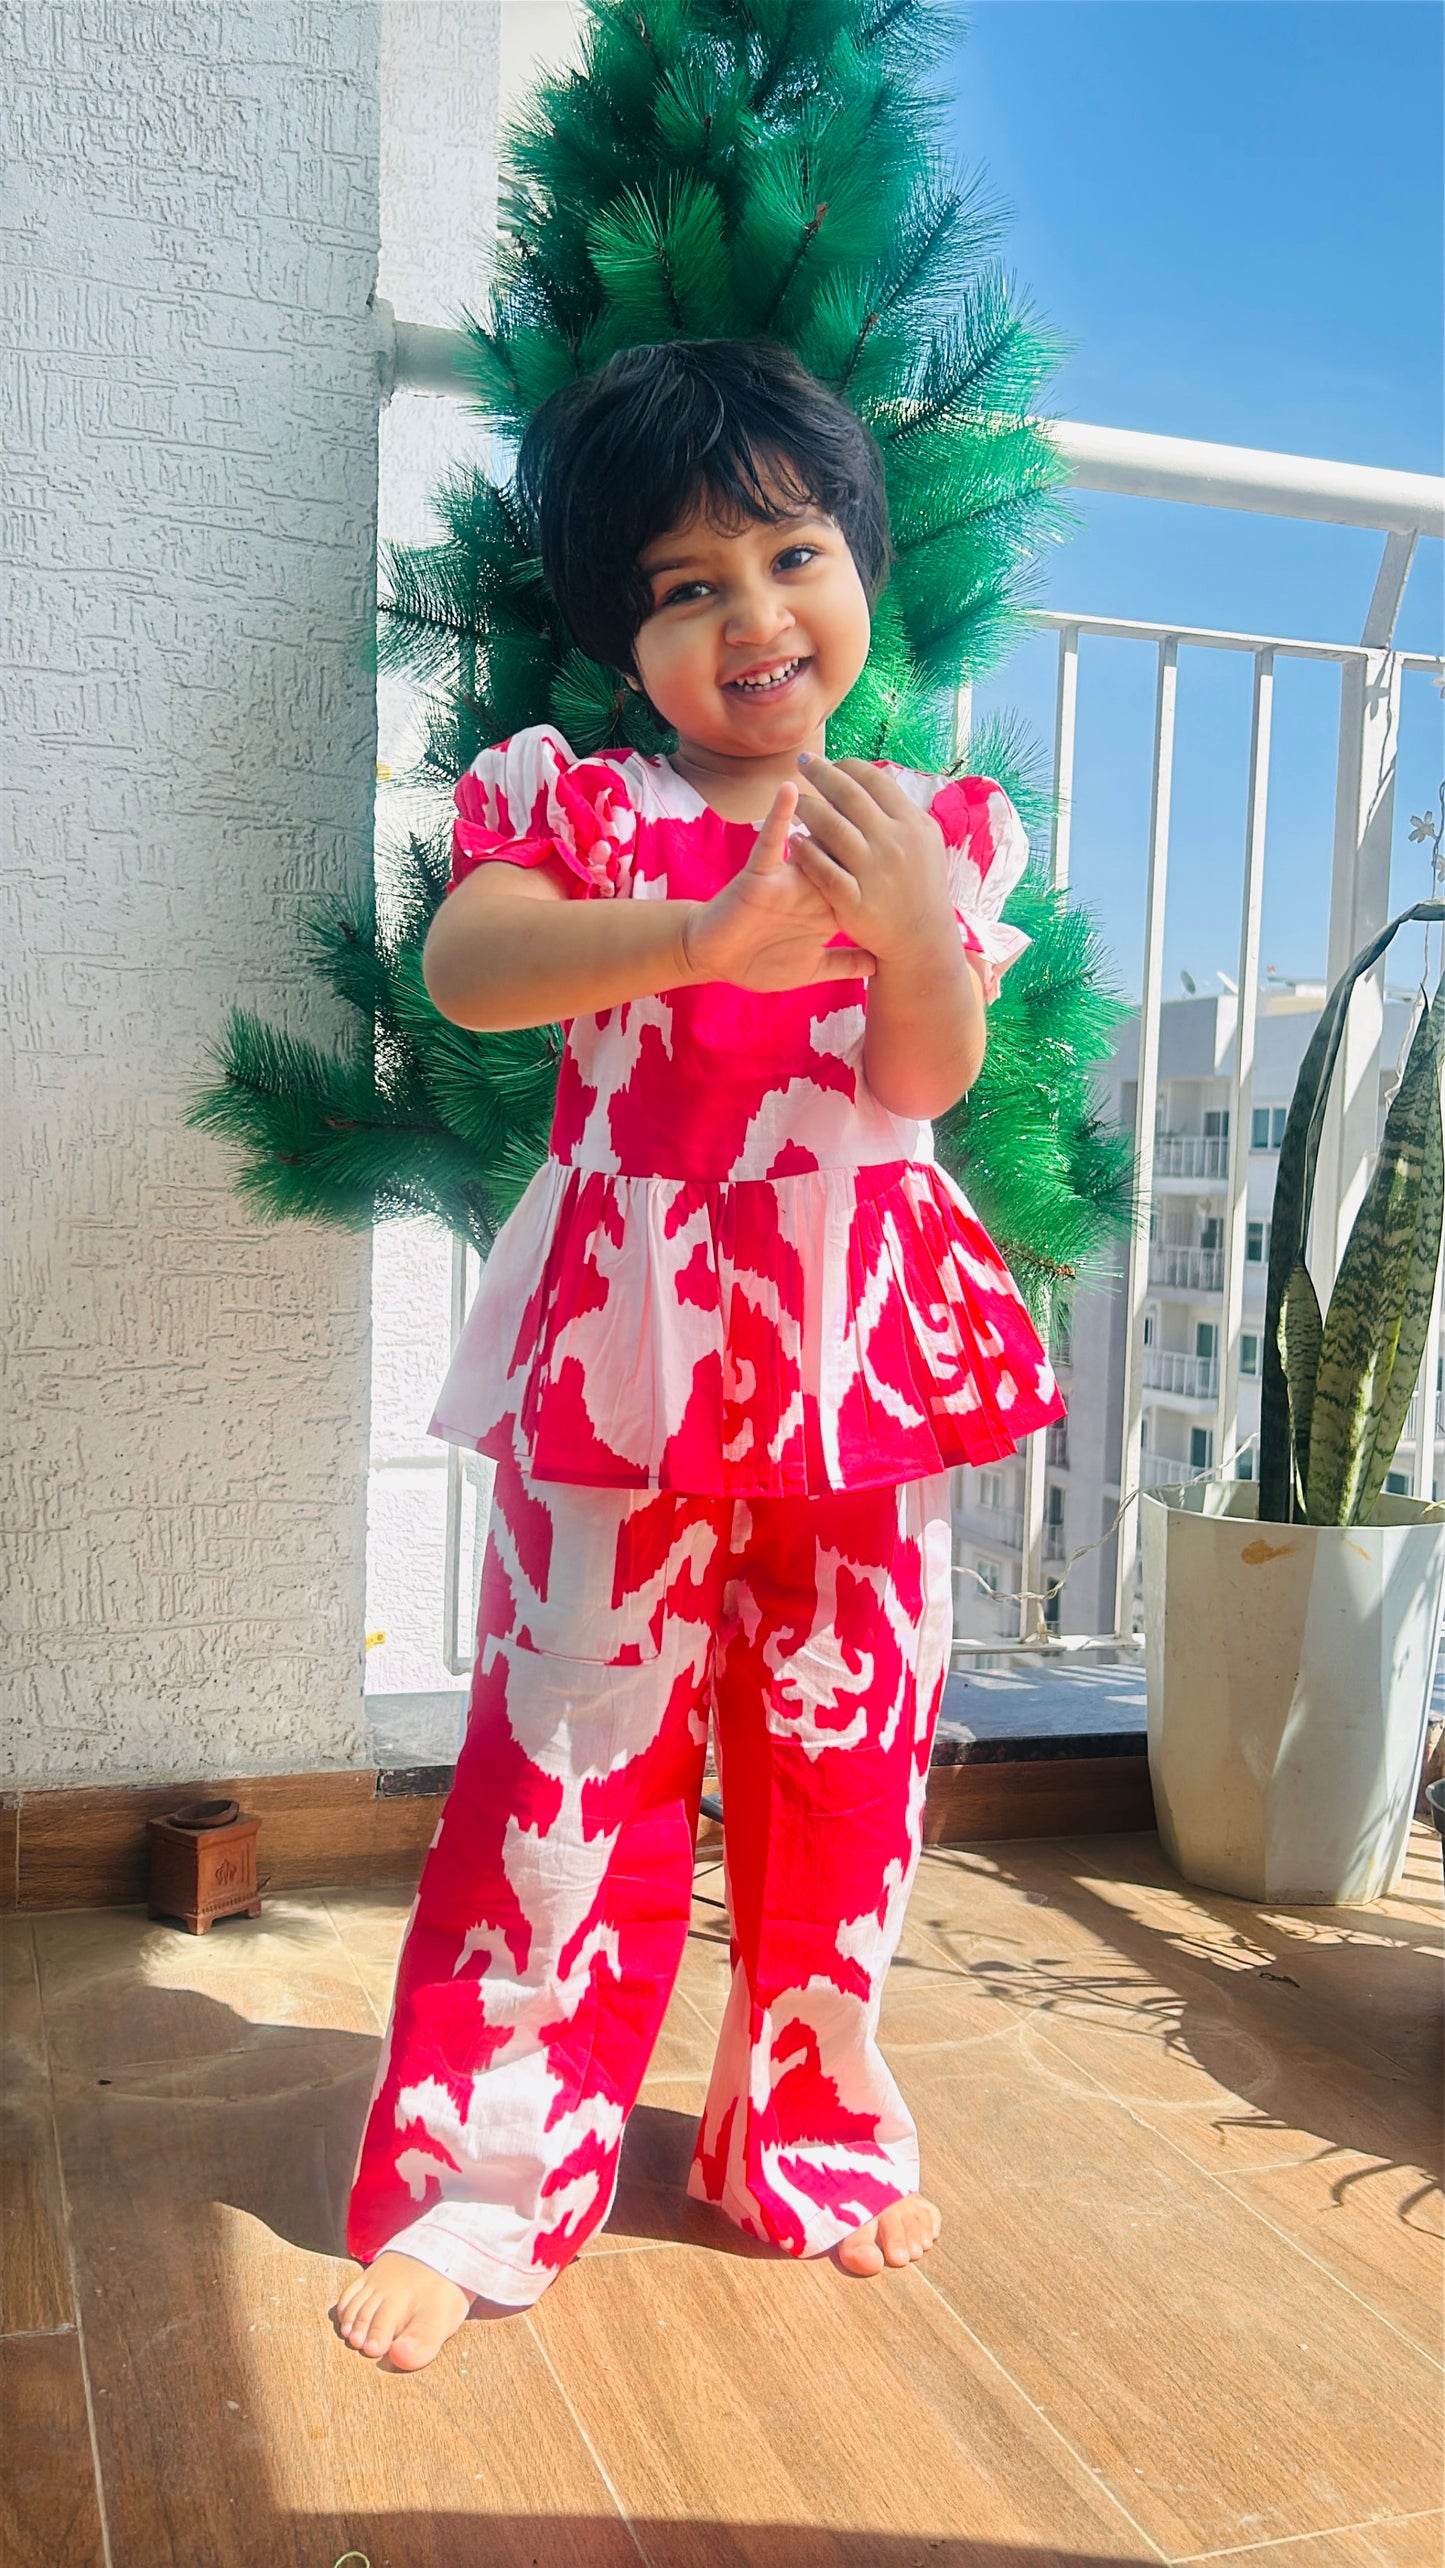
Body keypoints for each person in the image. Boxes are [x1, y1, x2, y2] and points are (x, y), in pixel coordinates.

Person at [335, 338, 1064, 2370]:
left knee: (849, 1770)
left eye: (789, 552)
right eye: (680, 585)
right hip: (620, 1366)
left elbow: (925, 1071)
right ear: (620, 633)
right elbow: (468, 969)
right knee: (567, 1762)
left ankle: (807, 2134)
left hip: (855, 1361)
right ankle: (486, 2186)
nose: (749, 614)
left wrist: (912, 929)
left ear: (861, 570)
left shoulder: (932, 821)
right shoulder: (576, 802)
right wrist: (690, 939)